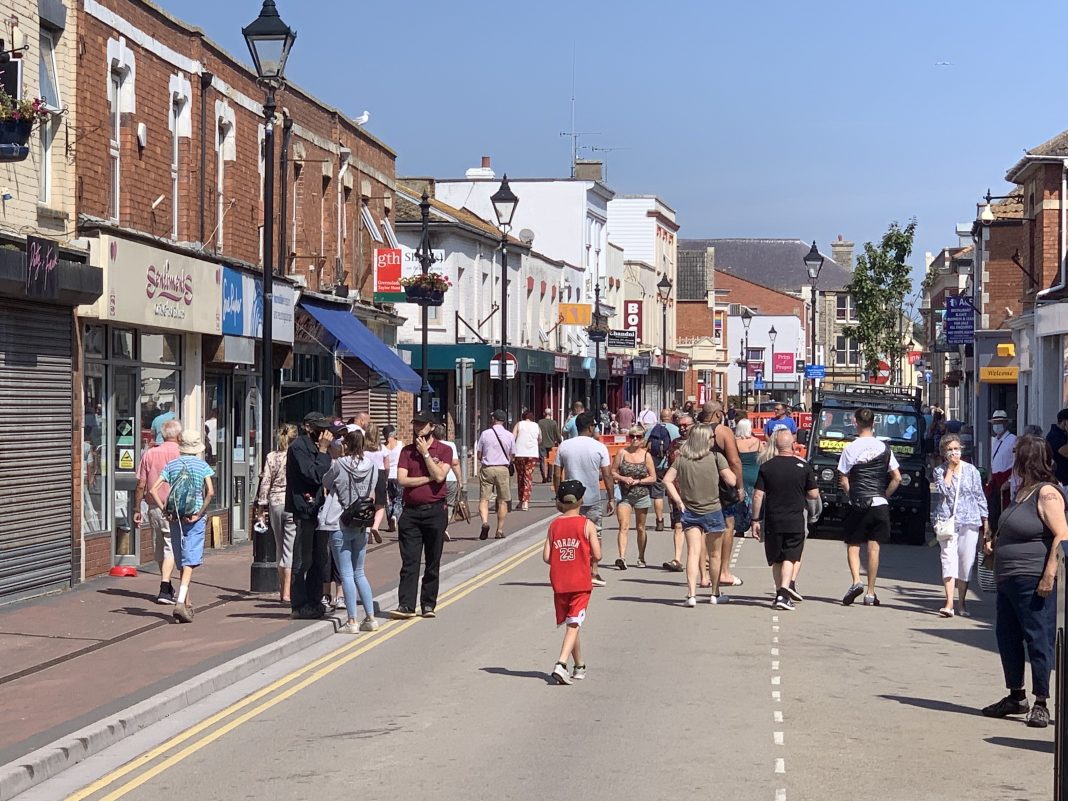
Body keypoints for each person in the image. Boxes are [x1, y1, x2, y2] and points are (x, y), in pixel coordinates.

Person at [981, 434, 1068, 728]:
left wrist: (1048, 575)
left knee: (1038, 639)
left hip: (1032, 579)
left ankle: (1041, 701)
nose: (1012, 457)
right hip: (1008, 579)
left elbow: (1062, 535)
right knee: (1007, 637)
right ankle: (1016, 696)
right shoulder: (1022, 492)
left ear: (1027, 459)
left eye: (1017, 453)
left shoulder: (1047, 493)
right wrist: (994, 543)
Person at [663, 423, 736, 607]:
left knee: (693, 553)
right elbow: (732, 480)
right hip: (713, 510)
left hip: (690, 511)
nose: (714, 439)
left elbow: (667, 480)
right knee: (714, 554)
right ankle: (714, 593)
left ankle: (691, 594)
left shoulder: (682, 459)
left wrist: (679, 501)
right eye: (711, 437)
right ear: (705, 439)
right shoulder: (716, 457)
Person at [149, 430, 215, 624]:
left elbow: (153, 489)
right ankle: (180, 602)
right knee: (190, 561)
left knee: (181, 559)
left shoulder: (172, 465)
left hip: (175, 517)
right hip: (193, 518)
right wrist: (199, 513)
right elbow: (210, 492)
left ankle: (187, 601)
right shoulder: (202, 466)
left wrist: (165, 511)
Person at [837, 407, 901, 606]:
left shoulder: (850, 448)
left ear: (855, 423)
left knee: (853, 545)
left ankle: (856, 581)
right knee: (874, 548)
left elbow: (844, 479)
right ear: (874, 423)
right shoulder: (884, 448)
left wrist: (852, 494)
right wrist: (885, 495)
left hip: (859, 502)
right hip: (879, 503)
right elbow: (897, 478)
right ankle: (871, 593)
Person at [390, 416, 451, 619]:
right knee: (410, 561)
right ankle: (406, 605)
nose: (418, 428)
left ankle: (428, 604)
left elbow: (441, 476)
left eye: (422, 424)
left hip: (435, 511)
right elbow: (402, 480)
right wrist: (428, 478)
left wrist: (425, 454)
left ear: (432, 427)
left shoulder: (444, 450)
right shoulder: (406, 451)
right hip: (411, 513)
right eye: (416, 424)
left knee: (433, 560)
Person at [751, 429, 819, 611]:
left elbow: (757, 495)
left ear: (776, 445)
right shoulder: (804, 467)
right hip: (794, 518)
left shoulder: (767, 467)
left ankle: (779, 592)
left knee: (776, 558)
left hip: (773, 519)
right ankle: (783, 593)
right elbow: (813, 495)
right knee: (791, 555)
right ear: (793, 445)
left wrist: (755, 520)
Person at [543, 479, 601, 685]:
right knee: (574, 623)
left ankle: (579, 665)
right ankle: (561, 663)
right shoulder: (587, 524)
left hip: (559, 582)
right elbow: (598, 554)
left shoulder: (554, 525)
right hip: (580, 582)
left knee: (571, 622)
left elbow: (547, 557)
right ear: (581, 500)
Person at [323, 428, 380, 634]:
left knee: (346, 573)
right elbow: (372, 488)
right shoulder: (372, 466)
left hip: (340, 520)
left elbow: (326, 482)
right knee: (359, 572)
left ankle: (352, 621)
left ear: (345, 445)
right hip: (362, 521)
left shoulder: (339, 464)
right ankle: (371, 617)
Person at [554, 411, 614, 587]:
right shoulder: (599, 447)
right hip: (593, 498)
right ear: (590, 427)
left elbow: (557, 474)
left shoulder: (564, 446)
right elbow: (608, 475)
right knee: (596, 533)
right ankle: (593, 571)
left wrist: (558, 497)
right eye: (594, 426)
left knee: (572, 535)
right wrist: (611, 498)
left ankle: (572, 571)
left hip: (570, 500)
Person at [932, 433, 988, 617]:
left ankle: (961, 603)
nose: (954, 453)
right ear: (943, 453)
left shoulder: (971, 470)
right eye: (949, 450)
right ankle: (949, 603)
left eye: (956, 449)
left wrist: (985, 521)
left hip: (969, 520)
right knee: (948, 559)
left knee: (966, 561)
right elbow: (943, 491)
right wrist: (950, 469)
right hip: (947, 521)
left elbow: (979, 495)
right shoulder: (939, 471)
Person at [286, 412, 335, 620]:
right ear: (307, 426)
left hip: (319, 510)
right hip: (305, 509)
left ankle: (315, 602)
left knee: (319, 558)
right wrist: (323, 451)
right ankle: (299, 604)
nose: (323, 432)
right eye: (319, 427)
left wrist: (325, 452)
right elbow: (314, 475)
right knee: (303, 559)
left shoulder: (316, 447)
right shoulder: (299, 447)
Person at [134, 418, 182, 605]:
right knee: (170, 545)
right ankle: (165, 587)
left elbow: (141, 484)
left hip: (154, 506)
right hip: (175, 507)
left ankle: (167, 585)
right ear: (178, 435)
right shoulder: (182, 454)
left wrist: (137, 507)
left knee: (159, 546)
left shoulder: (150, 454)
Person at [704, 401, 746, 588]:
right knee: (728, 525)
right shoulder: (722, 432)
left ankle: (703, 575)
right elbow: (735, 461)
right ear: (719, 414)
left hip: (699, 483)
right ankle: (724, 572)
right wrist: (740, 486)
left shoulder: (694, 432)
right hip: (721, 483)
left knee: (701, 527)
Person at [255, 424, 298, 604]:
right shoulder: (295, 456)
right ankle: (287, 592)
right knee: (290, 549)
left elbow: (265, 482)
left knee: (280, 547)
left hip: (274, 503)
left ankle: (282, 589)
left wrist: (260, 509)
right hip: (291, 503)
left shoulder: (271, 457)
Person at [611, 425, 657, 569]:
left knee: (640, 528)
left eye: (638, 437)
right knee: (623, 527)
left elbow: (653, 477)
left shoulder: (646, 456)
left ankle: (641, 557)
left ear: (642, 439)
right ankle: (622, 557)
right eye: (632, 436)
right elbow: (613, 471)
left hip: (642, 495)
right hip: (625, 496)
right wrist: (623, 478)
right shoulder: (622, 453)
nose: (635, 439)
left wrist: (639, 481)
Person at [661, 414, 693, 574]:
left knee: (699, 527)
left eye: (685, 425)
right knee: (679, 525)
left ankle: (704, 558)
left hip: (696, 490)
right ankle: (677, 559)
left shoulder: (699, 443)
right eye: (680, 425)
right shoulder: (674, 444)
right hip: (677, 490)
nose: (682, 428)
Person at [476, 410, 515, 539]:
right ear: (504, 421)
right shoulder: (509, 435)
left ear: (493, 419)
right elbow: (512, 455)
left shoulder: (485, 434)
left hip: (487, 468)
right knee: (503, 500)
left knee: (484, 498)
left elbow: (479, 454)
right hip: (502, 468)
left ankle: (485, 522)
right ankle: (499, 530)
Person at [646, 409, 679, 532]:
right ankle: (674, 518)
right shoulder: (675, 429)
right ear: (670, 417)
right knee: (672, 491)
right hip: (671, 465)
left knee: (658, 495)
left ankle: (659, 521)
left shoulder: (652, 429)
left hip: (656, 466)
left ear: (660, 417)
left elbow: (645, 445)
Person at [986, 410, 1017, 527]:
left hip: (1006, 482)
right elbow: (993, 462)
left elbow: (1016, 463)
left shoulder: (1013, 440)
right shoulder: (995, 441)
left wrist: (1009, 481)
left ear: (1005, 423)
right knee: (993, 513)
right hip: (995, 481)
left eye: (999, 422)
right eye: (994, 423)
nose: (996, 426)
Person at [433, 424, 463, 542]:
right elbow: (455, 464)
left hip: (435, 479)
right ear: (444, 434)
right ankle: (444, 527)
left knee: (437, 503)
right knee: (449, 505)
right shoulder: (450, 445)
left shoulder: (431, 446)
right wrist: (460, 480)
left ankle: (436, 527)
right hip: (450, 479)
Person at [362, 420, 386, 544]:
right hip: (380, 475)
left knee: (367, 503)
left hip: (366, 475)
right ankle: (375, 527)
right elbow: (387, 466)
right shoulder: (382, 448)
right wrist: (386, 477)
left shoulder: (362, 448)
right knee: (380, 505)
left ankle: (366, 530)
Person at [512, 410, 541, 511]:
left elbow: (513, 437)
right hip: (532, 454)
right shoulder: (536, 426)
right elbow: (540, 439)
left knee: (520, 476)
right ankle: (525, 501)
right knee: (528, 476)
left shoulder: (519, 424)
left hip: (519, 453)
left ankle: (521, 500)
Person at [381, 424, 404, 531]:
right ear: (394, 434)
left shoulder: (382, 447)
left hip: (387, 476)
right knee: (399, 499)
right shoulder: (400, 444)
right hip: (398, 475)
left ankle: (390, 520)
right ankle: (395, 516)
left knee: (388, 500)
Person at [734, 418, 762, 501]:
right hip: (755, 474)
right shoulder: (757, 441)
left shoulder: (734, 442)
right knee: (755, 500)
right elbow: (763, 458)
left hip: (740, 476)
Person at [1045, 409, 1068, 490]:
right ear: (1065, 422)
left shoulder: (1063, 434)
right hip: (1062, 482)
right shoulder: (1054, 436)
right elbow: (1066, 453)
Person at [537, 409, 562, 483]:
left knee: (542, 460)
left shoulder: (540, 422)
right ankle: (549, 477)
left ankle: (543, 476)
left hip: (542, 443)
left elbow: (538, 433)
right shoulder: (553, 423)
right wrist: (560, 441)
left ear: (544, 413)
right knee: (550, 461)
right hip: (551, 444)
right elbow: (557, 433)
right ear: (551, 414)